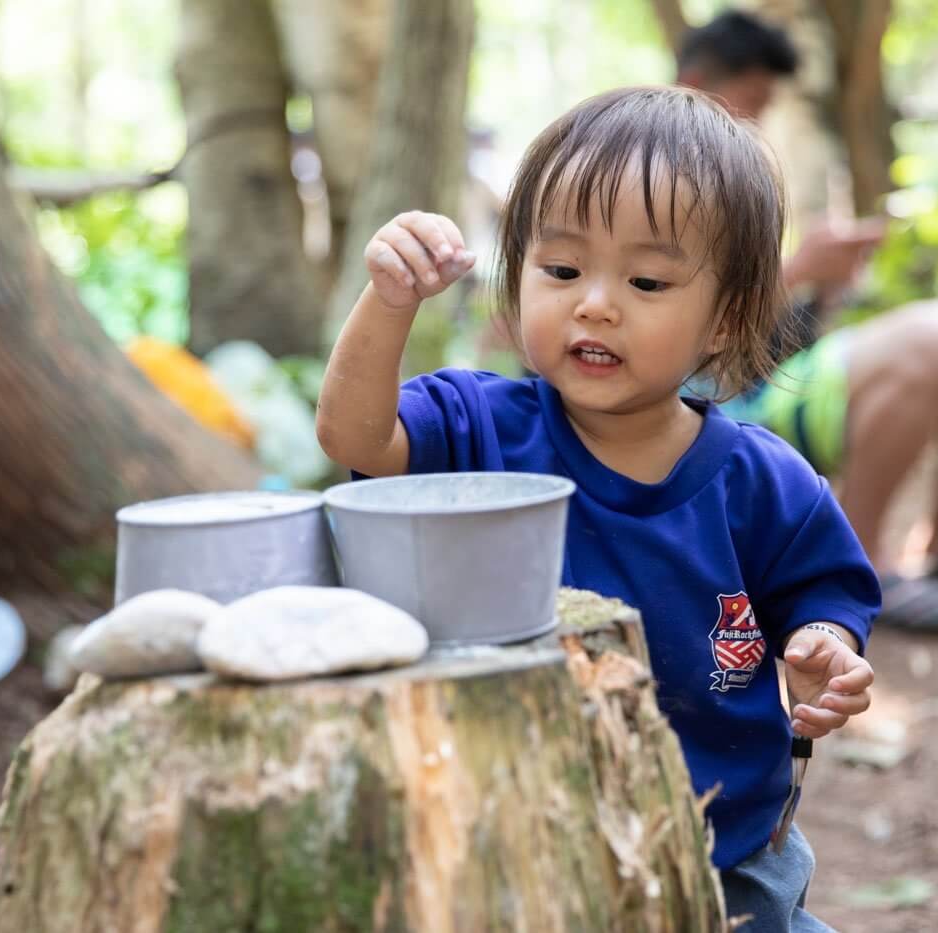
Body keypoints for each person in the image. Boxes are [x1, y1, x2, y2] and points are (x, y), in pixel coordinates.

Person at [318, 85, 879, 932]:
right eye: (561, 269)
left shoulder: (763, 481)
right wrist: (390, 300)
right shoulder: (478, 426)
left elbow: (827, 594)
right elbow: (355, 436)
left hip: (722, 858)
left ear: (726, 318)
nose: (595, 302)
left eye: (647, 279)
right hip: (509, 849)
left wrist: (822, 646)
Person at [676, 11, 938, 634]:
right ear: (696, 83)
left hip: (770, 381)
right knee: (930, 341)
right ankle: (855, 565)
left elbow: (766, 337)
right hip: (711, 410)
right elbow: (672, 331)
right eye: (751, 101)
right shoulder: (649, 172)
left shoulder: (738, 169)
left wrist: (823, 289)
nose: (759, 120)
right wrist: (798, 269)